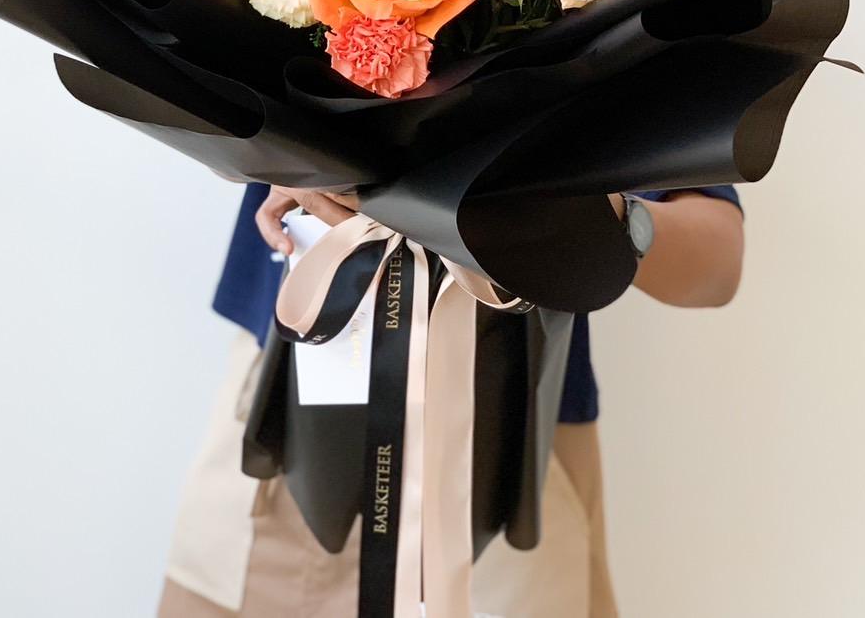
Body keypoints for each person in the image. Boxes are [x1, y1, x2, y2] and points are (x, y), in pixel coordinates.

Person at [158, 182, 744, 618]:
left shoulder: (608, 20)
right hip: (288, 432)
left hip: (508, 463)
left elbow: (718, 262)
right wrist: (283, 155)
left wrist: (596, 213)